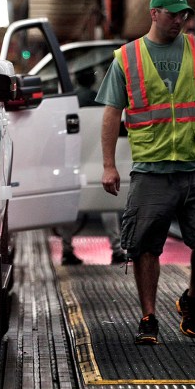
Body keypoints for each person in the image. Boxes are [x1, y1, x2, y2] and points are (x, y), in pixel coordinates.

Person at [98, 0, 195, 345]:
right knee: (145, 245)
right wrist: (108, 164)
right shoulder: (128, 57)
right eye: (172, 13)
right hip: (152, 167)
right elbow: (111, 112)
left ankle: (191, 299)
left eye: (184, 14)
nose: (180, 19)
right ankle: (148, 317)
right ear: (154, 13)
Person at [58, 66, 126, 266]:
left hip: (73, 161)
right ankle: (116, 250)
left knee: (71, 205)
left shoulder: (69, 102)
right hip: (98, 161)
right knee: (107, 204)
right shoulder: (101, 100)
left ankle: (67, 250)